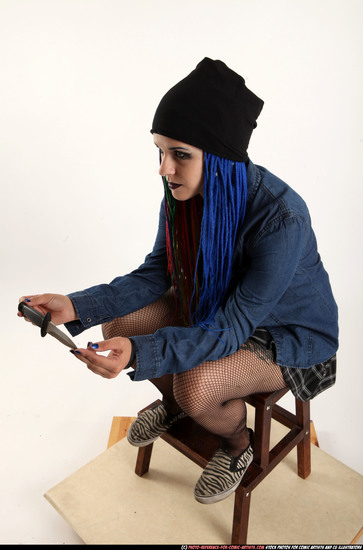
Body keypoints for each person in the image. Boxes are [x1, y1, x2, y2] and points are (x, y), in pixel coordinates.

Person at [18, 58, 338, 505]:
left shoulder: (282, 218)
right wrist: (76, 305)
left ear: (220, 157)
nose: (165, 168)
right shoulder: (183, 192)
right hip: (216, 305)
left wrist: (145, 354)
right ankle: (180, 407)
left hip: (286, 335)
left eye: (180, 154)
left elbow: (233, 327)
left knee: (196, 385)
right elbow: (157, 272)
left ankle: (235, 444)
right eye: (160, 151)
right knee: (120, 325)